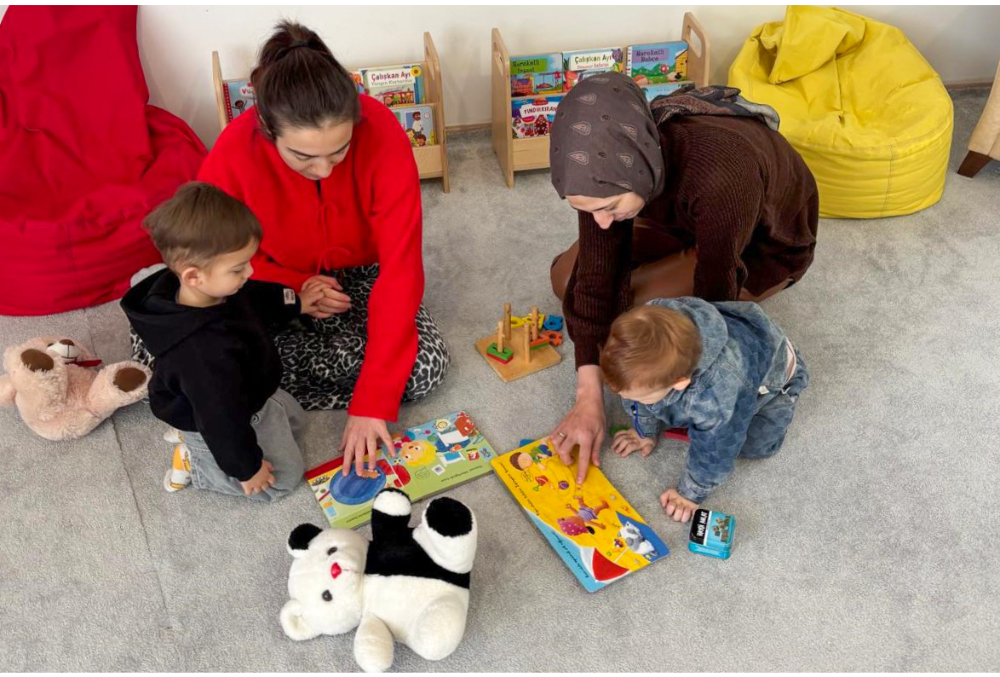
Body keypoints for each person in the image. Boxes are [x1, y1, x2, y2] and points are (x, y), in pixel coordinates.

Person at [135, 21, 449, 476]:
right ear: (267, 128)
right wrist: (291, 285)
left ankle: (235, 393)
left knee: (426, 369)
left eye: (339, 151)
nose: (324, 170)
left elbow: (401, 266)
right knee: (177, 348)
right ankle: (233, 387)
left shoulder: (382, 131)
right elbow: (213, 254)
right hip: (258, 278)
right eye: (303, 157)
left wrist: (373, 400)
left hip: (362, 276)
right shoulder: (235, 149)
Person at [546, 73, 819, 480]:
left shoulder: (722, 176)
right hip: (681, 219)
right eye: (586, 210)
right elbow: (596, 276)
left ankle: (669, 261)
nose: (599, 221)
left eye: (609, 206)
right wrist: (589, 397)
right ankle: (661, 244)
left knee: (645, 323)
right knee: (566, 279)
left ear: (638, 169)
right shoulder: (610, 173)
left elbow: (715, 306)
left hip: (758, 247)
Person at [122, 183, 329, 502]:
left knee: (297, 421)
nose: (250, 271)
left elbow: (256, 295)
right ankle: (197, 463)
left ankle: (206, 446)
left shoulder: (219, 288)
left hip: (252, 389)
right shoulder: (201, 356)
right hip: (214, 414)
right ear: (193, 276)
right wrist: (247, 468)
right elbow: (221, 419)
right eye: (238, 268)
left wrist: (295, 302)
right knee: (283, 481)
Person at [601, 298, 809, 522]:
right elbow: (635, 387)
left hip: (775, 379)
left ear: (679, 382)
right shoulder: (650, 318)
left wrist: (690, 493)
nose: (624, 398)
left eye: (637, 397)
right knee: (659, 401)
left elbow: (717, 450)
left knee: (753, 445)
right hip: (740, 336)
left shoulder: (716, 395)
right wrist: (644, 431)